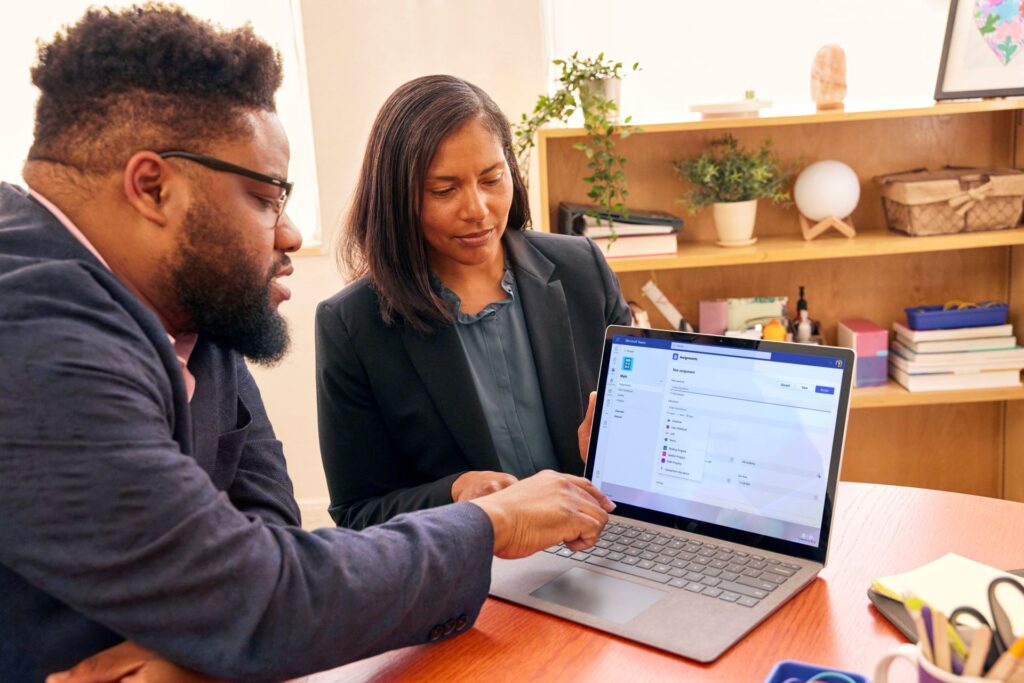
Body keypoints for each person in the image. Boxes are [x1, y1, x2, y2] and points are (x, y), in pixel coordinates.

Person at [0, 7, 615, 681]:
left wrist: (211, 641)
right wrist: (491, 523)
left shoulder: (197, 315)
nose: (291, 235)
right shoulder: (32, 335)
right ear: (152, 187)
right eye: (265, 199)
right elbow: (265, 597)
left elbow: (270, 546)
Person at [316, 75, 631, 530]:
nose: (478, 209)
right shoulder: (352, 324)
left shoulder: (581, 267)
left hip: (601, 542)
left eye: (491, 179)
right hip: (474, 573)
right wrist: (457, 492)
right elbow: (358, 513)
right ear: (396, 197)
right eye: (444, 190)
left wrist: (618, 447)